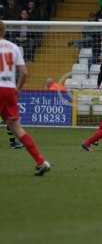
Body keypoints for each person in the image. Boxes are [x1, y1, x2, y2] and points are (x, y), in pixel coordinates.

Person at [0, 21, 50, 176]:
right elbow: (25, 73)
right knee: (17, 128)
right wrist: (17, 88)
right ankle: (41, 162)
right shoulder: (13, 47)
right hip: (9, 89)